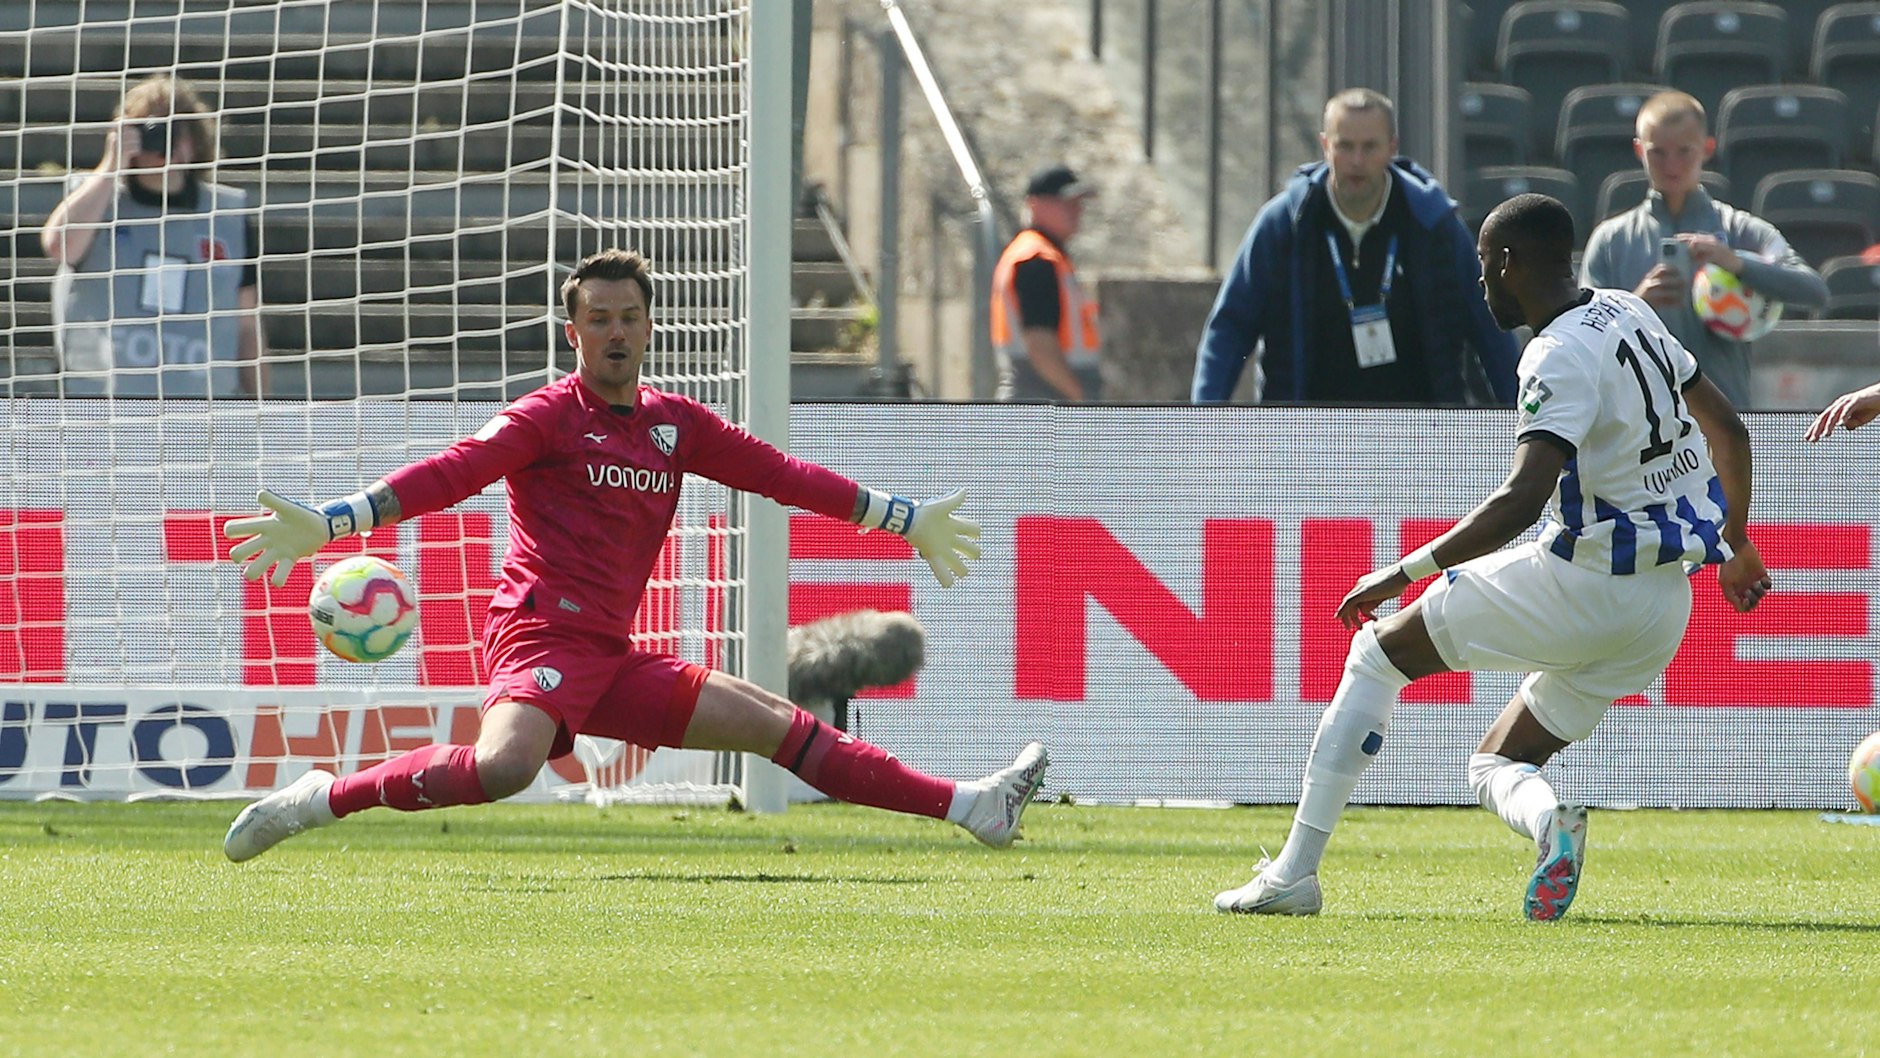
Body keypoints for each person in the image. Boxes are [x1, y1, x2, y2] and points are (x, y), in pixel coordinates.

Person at [220, 249, 1048, 862]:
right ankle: (319, 799)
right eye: (598, 319)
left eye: (628, 317)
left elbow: (783, 476)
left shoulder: (677, 425)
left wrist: (901, 518)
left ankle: (972, 807)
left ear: (649, 326)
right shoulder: (545, 417)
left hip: (610, 655)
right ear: (572, 330)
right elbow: (450, 473)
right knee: (505, 767)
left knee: (771, 725)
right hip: (540, 636)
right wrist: (332, 525)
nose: (615, 332)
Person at [1213, 194, 1769, 920]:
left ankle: (1292, 876)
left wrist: (1399, 572)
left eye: (1483, 266)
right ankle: (1550, 827)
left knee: (1376, 655)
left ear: (1508, 263)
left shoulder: (1555, 353)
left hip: (1583, 582)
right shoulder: (1632, 311)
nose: (1481, 284)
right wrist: (1738, 540)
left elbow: (1521, 499)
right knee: (1497, 763)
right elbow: (1730, 431)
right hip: (1663, 610)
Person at [1191, 88, 1517, 405]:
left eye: (1369, 147)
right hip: (1302, 432)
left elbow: (1489, 324)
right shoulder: (1284, 224)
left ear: (1392, 148)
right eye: (1344, 146)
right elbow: (1231, 327)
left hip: (1419, 433)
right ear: (1324, 146)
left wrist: (1521, 422)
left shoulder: (1434, 224)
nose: (1357, 161)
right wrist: (1204, 422)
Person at [1579, 90, 1827, 408]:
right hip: (1637, 426)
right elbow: (1584, 335)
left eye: (1684, 151)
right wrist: (1636, 305)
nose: (1671, 164)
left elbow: (1814, 291)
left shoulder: (1740, 230)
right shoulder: (1611, 239)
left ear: (1707, 148)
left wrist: (1736, 264)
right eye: (1658, 152)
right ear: (1639, 150)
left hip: (1722, 422)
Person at [40, 74, 267, 399]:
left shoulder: (227, 216)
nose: (167, 145)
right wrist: (110, 166)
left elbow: (248, 326)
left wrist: (264, 412)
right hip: (100, 411)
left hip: (202, 413)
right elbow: (59, 246)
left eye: (177, 131)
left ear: (194, 142)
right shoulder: (96, 200)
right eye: (154, 130)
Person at [991, 164, 1102, 402]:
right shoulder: (1036, 260)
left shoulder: (1046, 255)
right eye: (1066, 202)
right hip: (1042, 404)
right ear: (1035, 204)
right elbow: (1040, 344)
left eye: (1078, 203)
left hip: (1042, 400)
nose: (1076, 210)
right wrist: (1081, 400)